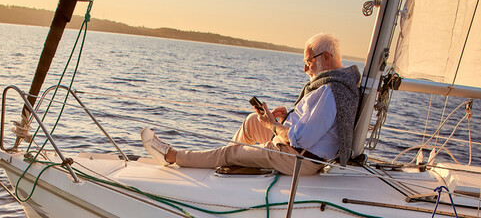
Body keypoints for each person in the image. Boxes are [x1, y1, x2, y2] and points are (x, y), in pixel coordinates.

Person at [141, 33, 361, 176]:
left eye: (308, 62)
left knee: (232, 151)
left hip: (299, 159)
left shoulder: (329, 91)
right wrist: (284, 120)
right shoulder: (333, 85)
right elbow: (311, 126)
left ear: (327, 57)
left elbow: (302, 138)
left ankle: (172, 156)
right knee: (252, 121)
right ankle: (226, 164)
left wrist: (273, 126)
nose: (305, 69)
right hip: (297, 148)